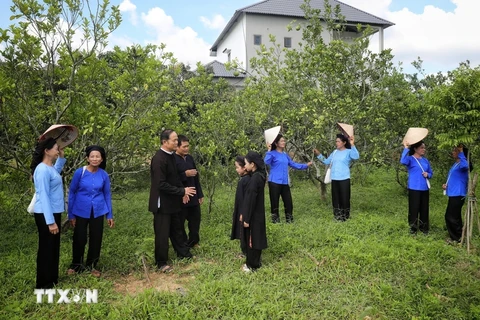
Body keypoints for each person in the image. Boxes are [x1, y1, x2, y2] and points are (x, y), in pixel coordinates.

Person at [148, 129, 196, 273]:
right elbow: (160, 184)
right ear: (165, 142)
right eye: (174, 140)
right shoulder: (159, 159)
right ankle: (161, 262)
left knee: (177, 229)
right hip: (162, 203)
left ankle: (184, 254)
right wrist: (182, 191)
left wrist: (182, 191)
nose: (177, 142)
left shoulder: (171, 157)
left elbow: (175, 178)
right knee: (162, 233)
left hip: (174, 200)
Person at [67, 145, 114, 277]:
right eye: (92, 156)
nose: (94, 159)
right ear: (87, 158)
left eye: (97, 156)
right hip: (81, 209)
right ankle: (76, 265)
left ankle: (92, 266)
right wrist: (71, 214)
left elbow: (107, 195)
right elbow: (72, 192)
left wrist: (109, 214)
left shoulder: (104, 175)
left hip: (98, 210)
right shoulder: (79, 173)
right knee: (79, 238)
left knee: (96, 238)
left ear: (101, 159)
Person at [30, 137, 66, 288]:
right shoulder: (42, 169)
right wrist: (50, 222)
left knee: (53, 246)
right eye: (56, 148)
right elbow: (43, 195)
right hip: (46, 214)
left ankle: (52, 279)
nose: (58, 150)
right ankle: (43, 284)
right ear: (47, 150)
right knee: (46, 248)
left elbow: (56, 175)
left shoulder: (49, 168)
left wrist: (62, 158)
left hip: (53, 212)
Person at [265, 134, 312, 223]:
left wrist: (306, 165)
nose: (284, 142)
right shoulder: (272, 153)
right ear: (276, 143)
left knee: (288, 202)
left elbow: (293, 164)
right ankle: (275, 221)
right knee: (274, 203)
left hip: (284, 182)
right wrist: (269, 149)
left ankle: (289, 220)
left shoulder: (284, 154)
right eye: (282, 141)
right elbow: (266, 161)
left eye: (284, 141)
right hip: (274, 181)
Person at [314, 133, 359, 221]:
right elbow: (327, 162)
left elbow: (356, 157)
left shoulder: (349, 152)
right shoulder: (334, 152)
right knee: (336, 198)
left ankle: (345, 216)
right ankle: (337, 216)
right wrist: (319, 154)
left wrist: (352, 144)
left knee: (345, 198)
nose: (336, 143)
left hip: (344, 178)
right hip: (334, 178)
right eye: (336, 141)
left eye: (338, 141)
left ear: (344, 142)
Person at [174, 135, 204, 248]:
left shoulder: (190, 158)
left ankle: (194, 241)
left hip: (193, 194)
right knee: (180, 222)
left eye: (188, 146)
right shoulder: (173, 160)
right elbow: (172, 178)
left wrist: (199, 194)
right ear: (177, 147)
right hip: (181, 195)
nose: (187, 149)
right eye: (184, 147)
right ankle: (183, 243)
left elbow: (196, 177)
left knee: (195, 220)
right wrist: (184, 175)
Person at [241, 151, 268, 272]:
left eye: (246, 163)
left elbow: (250, 200)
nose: (245, 166)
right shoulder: (260, 176)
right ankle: (255, 262)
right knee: (256, 237)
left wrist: (246, 218)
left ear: (253, 164)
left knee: (252, 239)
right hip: (258, 213)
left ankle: (252, 265)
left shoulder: (255, 179)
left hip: (253, 214)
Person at [400, 140, 433, 234]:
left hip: (424, 188)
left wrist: (428, 175)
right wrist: (406, 148)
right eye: (422, 148)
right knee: (414, 209)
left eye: (424, 148)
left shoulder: (425, 160)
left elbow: (431, 173)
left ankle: (424, 229)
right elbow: (402, 161)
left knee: (424, 209)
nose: (424, 149)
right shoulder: (410, 159)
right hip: (414, 188)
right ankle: (413, 229)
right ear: (415, 149)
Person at [443, 144, 471, 243]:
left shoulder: (463, 164)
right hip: (453, 193)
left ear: (461, 153)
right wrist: (447, 185)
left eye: (456, 151)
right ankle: (458, 237)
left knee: (450, 216)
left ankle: (456, 238)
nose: (453, 152)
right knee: (455, 216)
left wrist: (462, 152)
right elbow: (455, 178)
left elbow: (466, 166)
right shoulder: (456, 164)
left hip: (458, 193)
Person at [231, 155, 251, 256]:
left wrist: (243, 213)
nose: (236, 170)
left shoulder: (246, 180)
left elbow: (246, 199)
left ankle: (246, 251)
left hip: (243, 210)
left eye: (237, 167)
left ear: (244, 167)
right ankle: (245, 250)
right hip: (241, 208)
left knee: (244, 231)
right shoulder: (244, 179)